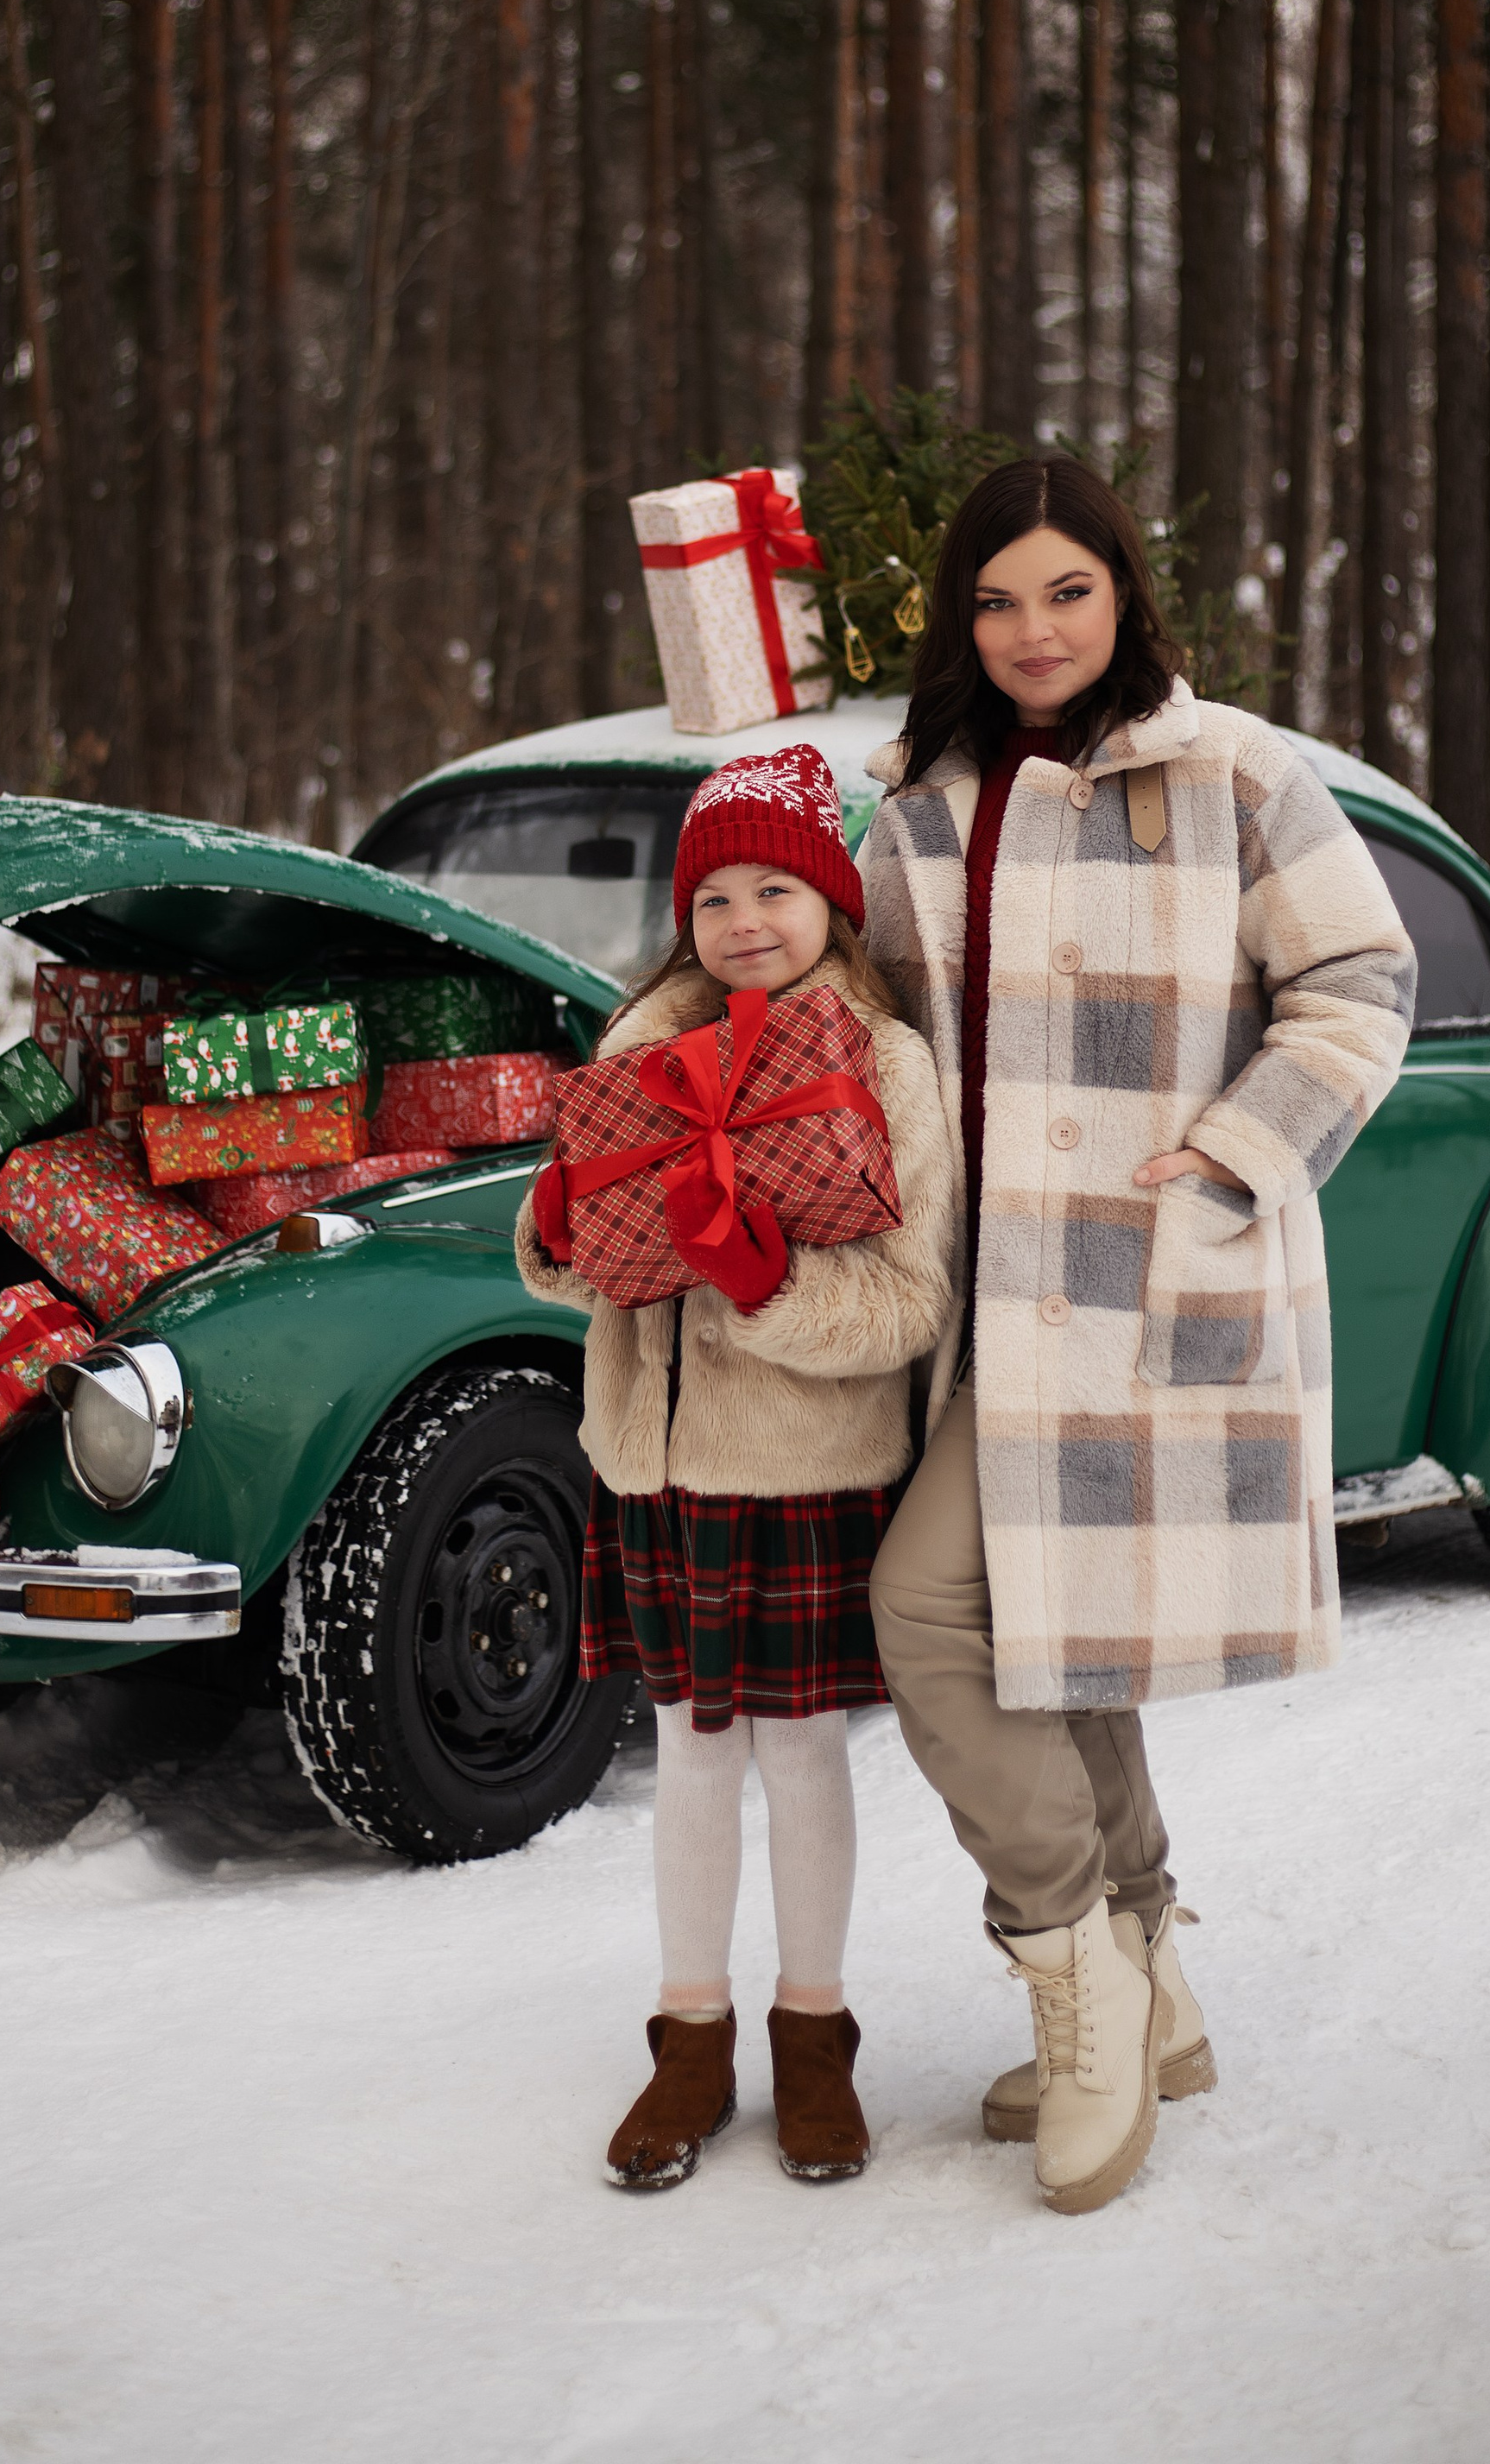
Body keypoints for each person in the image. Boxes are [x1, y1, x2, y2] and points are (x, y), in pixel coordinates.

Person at [860, 456, 1415, 2218]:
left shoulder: (1234, 773)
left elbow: (1361, 984)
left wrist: (1240, 1149)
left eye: (1066, 592)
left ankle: (1073, 1967)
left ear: (1121, 594)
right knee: (1048, 1638)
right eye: (995, 600)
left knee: (929, 1609)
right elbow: (862, 1019)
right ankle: (1147, 1974)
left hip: (1140, 1276)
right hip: (977, 1295)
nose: (1032, 632)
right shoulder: (919, 801)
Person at [516, 743, 957, 2192]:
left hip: (805, 1470)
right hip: (658, 1470)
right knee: (692, 1751)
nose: (745, 920)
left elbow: (910, 1304)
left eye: (777, 889)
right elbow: (576, 1267)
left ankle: (814, 2034)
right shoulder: (639, 1045)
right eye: (714, 898)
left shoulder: (884, 1063)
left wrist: (765, 1285)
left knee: (801, 1750)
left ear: (833, 901)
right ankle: (690, 2038)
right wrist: (561, 1227)